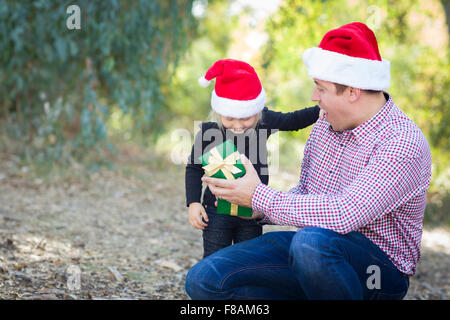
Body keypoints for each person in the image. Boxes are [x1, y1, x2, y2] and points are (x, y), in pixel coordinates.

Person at [185, 22, 432, 300]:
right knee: (205, 279)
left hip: (377, 271)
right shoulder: (327, 124)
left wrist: (259, 196)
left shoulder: (401, 142)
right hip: (310, 257)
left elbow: (344, 213)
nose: (315, 98)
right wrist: (252, 207)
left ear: (352, 91)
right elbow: (307, 195)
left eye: (321, 89)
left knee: (311, 243)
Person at [185, 59, 320, 258]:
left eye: (246, 118)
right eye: (230, 118)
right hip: (216, 210)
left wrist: (322, 110)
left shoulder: (263, 122)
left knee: (246, 258)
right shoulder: (209, 132)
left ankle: (243, 288)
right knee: (215, 256)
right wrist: (194, 203)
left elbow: (293, 120)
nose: (238, 125)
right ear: (219, 112)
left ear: (256, 111)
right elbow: (194, 169)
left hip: (252, 210)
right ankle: (215, 287)